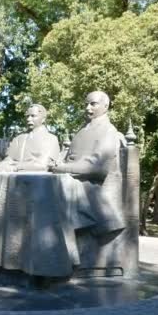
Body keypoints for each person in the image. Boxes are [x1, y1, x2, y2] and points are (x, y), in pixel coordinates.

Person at [51, 91, 127, 240]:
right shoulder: (82, 130)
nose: (87, 108)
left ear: (106, 106)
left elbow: (97, 167)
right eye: (86, 104)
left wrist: (62, 168)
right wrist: (58, 164)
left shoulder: (108, 131)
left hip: (91, 191)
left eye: (93, 104)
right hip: (71, 183)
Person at [0, 104, 60, 172]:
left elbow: (43, 165)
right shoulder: (18, 138)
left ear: (43, 119)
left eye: (33, 116)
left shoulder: (51, 139)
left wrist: (16, 167)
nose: (28, 119)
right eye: (27, 116)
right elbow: (8, 159)